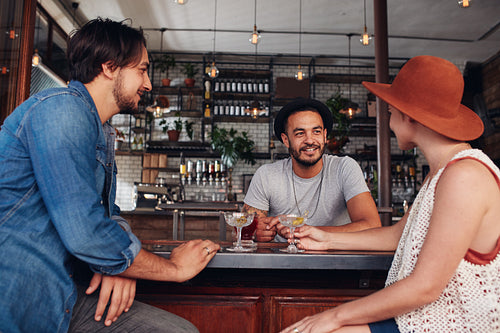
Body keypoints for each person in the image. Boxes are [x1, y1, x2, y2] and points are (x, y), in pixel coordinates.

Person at [0, 18, 220, 333]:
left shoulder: (101, 132)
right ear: (109, 67)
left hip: (64, 293)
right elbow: (85, 232)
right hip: (20, 298)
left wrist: (119, 264)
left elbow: (107, 215)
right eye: (142, 70)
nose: (148, 84)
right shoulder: (61, 111)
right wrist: (173, 268)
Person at [281, 55, 500, 333]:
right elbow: (399, 236)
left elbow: (425, 287)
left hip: (452, 323)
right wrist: (326, 239)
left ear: (408, 115)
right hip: (422, 318)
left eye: (390, 112)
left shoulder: (464, 176)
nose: (390, 122)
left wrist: (334, 316)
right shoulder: (443, 171)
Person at [243, 98, 380, 242]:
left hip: (336, 261)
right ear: (285, 140)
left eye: (316, 131)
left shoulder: (344, 168)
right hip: (283, 261)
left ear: (325, 135)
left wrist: (307, 231)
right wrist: (254, 232)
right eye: (300, 133)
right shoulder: (267, 175)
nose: (310, 140)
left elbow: (371, 226)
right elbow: (243, 230)